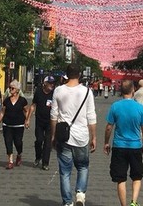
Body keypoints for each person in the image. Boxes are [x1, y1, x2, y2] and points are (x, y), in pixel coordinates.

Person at [51, 63, 97, 206]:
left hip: (64, 136)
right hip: (82, 136)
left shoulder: (58, 90)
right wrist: (94, 136)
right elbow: (91, 116)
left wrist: (53, 135)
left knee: (65, 172)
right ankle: (80, 193)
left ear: (66, 74)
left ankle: (67, 202)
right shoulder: (87, 92)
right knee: (83, 166)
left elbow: (53, 115)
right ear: (79, 75)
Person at [104, 80, 143, 206]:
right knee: (137, 176)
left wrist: (106, 142)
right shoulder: (139, 108)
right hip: (135, 146)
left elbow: (109, 127)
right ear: (133, 91)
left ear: (121, 91)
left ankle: (123, 205)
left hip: (119, 146)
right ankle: (134, 202)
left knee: (120, 178)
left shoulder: (115, 106)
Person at [0, 80, 29, 169]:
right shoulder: (6, 101)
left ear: (17, 90)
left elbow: (26, 111)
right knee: (8, 142)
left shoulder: (22, 100)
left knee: (18, 142)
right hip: (7, 125)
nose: (10, 89)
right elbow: (2, 112)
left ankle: (19, 154)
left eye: (12, 88)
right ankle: (10, 161)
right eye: (9, 88)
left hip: (19, 125)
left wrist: (27, 120)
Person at [30, 76, 55, 170]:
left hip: (50, 122)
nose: (52, 85)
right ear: (45, 83)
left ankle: (45, 163)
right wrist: (28, 119)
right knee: (39, 140)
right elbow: (33, 105)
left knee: (48, 143)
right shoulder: (38, 92)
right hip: (39, 121)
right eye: (50, 83)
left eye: (53, 83)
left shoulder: (54, 94)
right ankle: (38, 156)